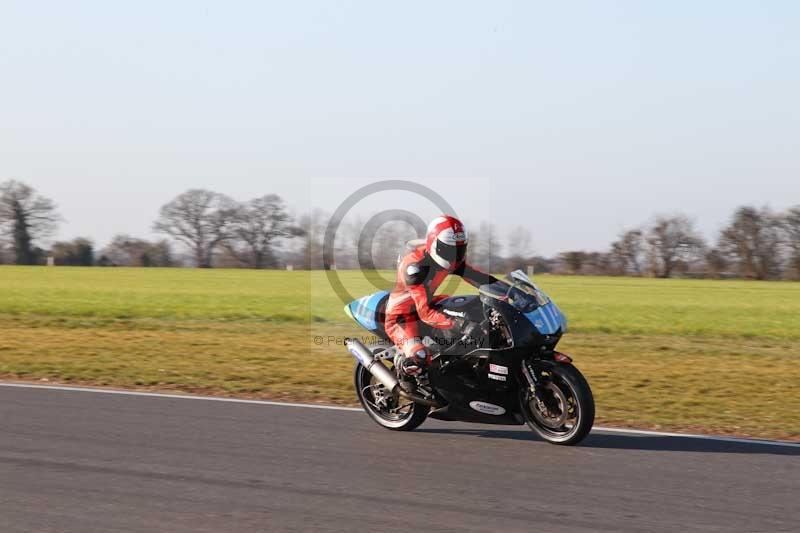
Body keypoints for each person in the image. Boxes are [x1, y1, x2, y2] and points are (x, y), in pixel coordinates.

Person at [384, 215, 498, 377]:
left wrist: (509, 290)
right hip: (403, 317)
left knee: (474, 309)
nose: (454, 256)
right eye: (449, 250)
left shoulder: (449, 258)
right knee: (420, 358)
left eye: (459, 249)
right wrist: (462, 325)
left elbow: (479, 278)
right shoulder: (415, 269)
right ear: (434, 244)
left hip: (429, 303)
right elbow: (425, 313)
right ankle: (403, 367)